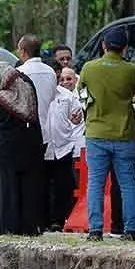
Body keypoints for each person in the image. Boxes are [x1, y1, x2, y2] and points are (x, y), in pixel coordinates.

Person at [77, 28, 135, 241]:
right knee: (127, 183)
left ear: (103, 46)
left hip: (96, 133)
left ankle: (95, 229)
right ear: (124, 47)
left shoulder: (89, 68)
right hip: (124, 133)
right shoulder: (130, 69)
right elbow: (132, 93)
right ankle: (131, 228)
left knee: (95, 183)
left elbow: (81, 93)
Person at [0, 62, 43, 235]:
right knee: (28, 188)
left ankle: (7, 226)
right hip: (29, 144)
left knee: (6, 188)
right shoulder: (28, 89)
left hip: (6, 148)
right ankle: (28, 227)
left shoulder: (1, 98)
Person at [43, 68, 83, 230]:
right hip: (44, 147)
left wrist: (76, 118)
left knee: (63, 185)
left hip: (63, 147)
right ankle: (44, 219)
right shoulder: (39, 95)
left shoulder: (68, 96)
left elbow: (77, 118)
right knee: (44, 185)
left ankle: (58, 221)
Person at [17, 34, 57, 155]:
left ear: (23, 51)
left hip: (24, 132)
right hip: (46, 132)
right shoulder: (50, 72)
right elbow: (52, 98)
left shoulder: (19, 72)